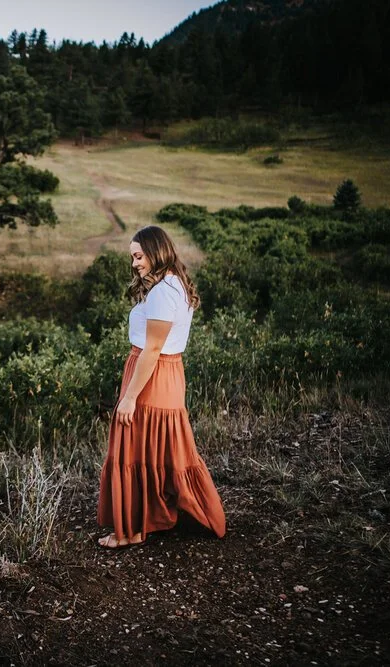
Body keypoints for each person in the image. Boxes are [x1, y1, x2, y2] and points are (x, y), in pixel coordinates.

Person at [97, 225, 226, 548]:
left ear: (157, 252)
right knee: (153, 449)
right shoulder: (173, 284)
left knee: (135, 447)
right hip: (163, 373)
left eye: (139, 256)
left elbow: (153, 349)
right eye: (133, 257)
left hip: (152, 375)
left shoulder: (163, 292)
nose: (135, 263)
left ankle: (131, 531)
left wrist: (129, 397)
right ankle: (146, 521)